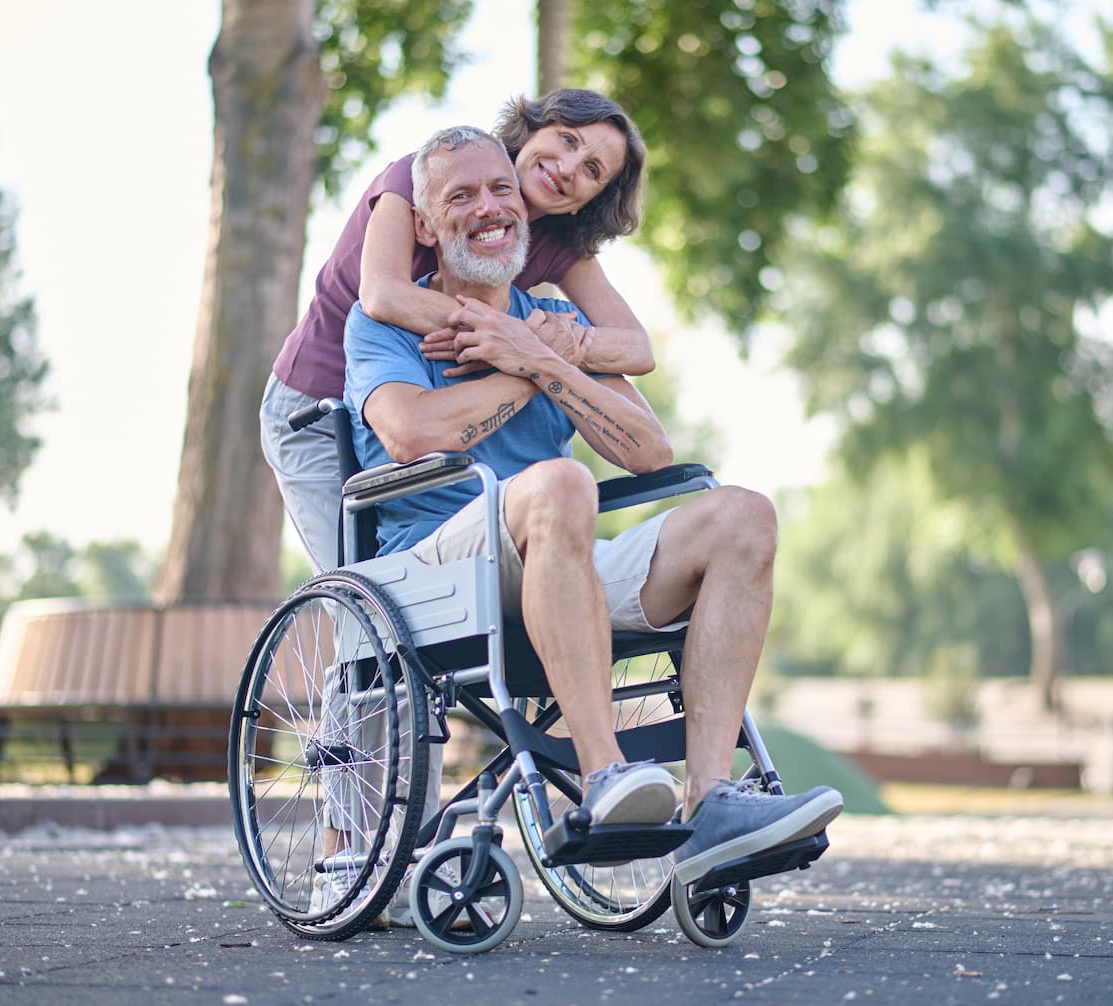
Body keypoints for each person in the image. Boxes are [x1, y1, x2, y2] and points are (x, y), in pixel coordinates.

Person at [343, 125, 843, 892]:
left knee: (741, 514)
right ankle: (607, 773)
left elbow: (648, 448)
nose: (489, 207)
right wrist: (526, 366)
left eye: (501, 190)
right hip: (434, 564)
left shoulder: (559, 325)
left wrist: (541, 354)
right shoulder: (384, 319)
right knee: (561, 483)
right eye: (460, 196)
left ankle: (711, 802)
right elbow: (411, 432)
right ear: (423, 224)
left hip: (557, 554)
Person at [263, 88, 655, 573]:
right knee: (361, 586)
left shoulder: (558, 242)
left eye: (593, 170)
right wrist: (521, 340)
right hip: (318, 409)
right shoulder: (427, 176)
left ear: (592, 200)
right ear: (530, 131)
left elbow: (637, 348)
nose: (570, 166)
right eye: (567, 140)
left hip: (431, 408)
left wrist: (551, 349)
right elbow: (384, 295)